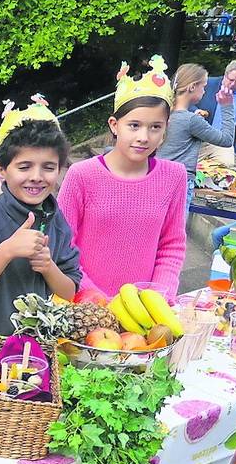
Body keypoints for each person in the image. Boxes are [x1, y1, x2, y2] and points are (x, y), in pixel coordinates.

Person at [58, 55, 187, 300]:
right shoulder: (82, 175)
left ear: (165, 128)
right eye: (134, 125)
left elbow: (171, 245)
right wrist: (95, 297)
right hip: (86, 306)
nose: (144, 137)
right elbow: (64, 245)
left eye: (155, 127)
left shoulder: (174, 176)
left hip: (144, 310)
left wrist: (159, 295)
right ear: (115, 125)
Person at [0, 104, 82, 335]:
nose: (36, 177)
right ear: (1, 169)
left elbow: (69, 292)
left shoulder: (58, 223)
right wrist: (6, 251)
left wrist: (48, 266)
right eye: (24, 167)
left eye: (48, 167)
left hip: (32, 352)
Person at [157, 63, 234, 203]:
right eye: (203, 86)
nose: (205, 91)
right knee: (177, 225)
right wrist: (227, 106)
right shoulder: (192, 120)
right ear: (192, 87)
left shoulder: (163, 113)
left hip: (158, 178)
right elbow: (227, 140)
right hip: (180, 182)